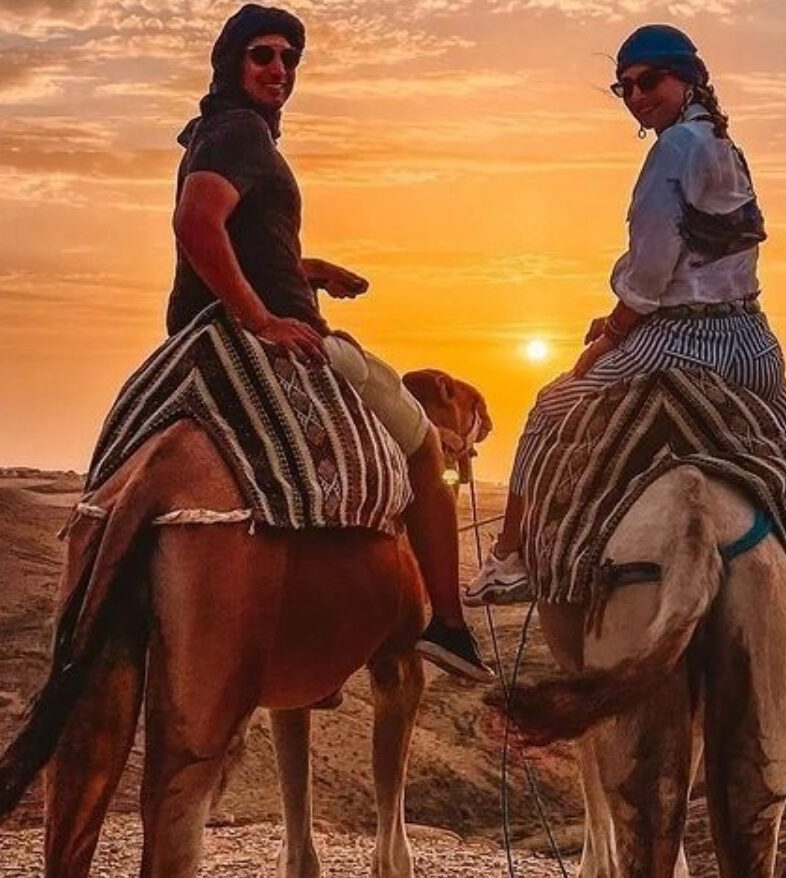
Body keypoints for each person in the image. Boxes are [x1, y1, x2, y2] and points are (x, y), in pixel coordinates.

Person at [465, 24, 786, 673]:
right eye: (623, 86)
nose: (635, 95)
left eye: (648, 80)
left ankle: (511, 557)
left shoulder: (670, 151)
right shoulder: (724, 145)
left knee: (549, 410)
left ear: (685, 78)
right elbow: (704, 258)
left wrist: (616, 328)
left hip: (675, 340)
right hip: (750, 339)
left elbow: (654, 268)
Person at [168, 3, 493, 682]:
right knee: (428, 453)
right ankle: (450, 627)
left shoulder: (215, 132)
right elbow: (198, 224)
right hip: (271, 341)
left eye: (290, 58)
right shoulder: (240, 134)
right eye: (263, 55)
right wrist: (264, 318)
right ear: (232, 63)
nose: (279, 69)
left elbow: (238, 236)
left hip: (204, 334)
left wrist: (306, 271)